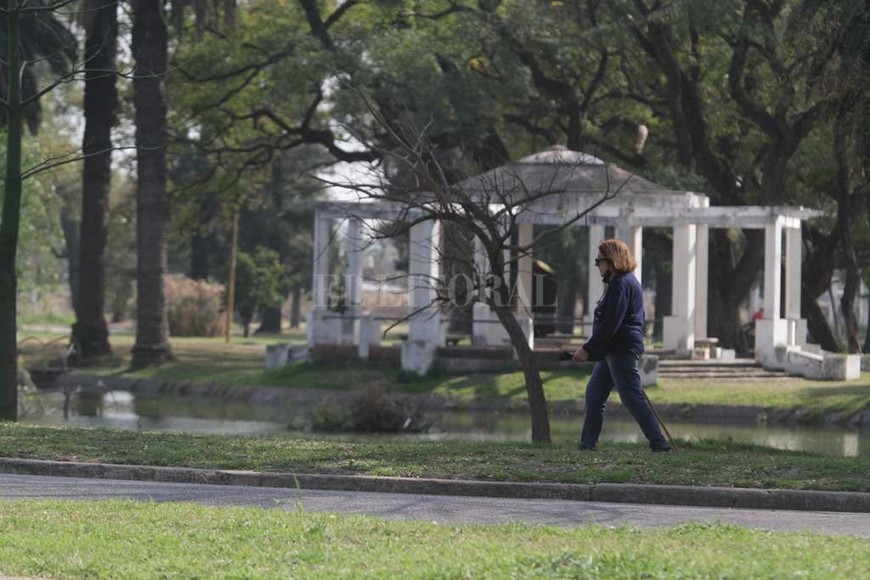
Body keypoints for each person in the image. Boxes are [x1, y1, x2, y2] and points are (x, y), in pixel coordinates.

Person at [572, 239, 670, 452]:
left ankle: (659, 443)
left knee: (632, 397)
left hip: (621, 350)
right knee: (594, 395)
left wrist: (587, 349)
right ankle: (587, 444)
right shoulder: (622, 283)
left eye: (599, 261)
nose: (597, 265)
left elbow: (610, 324)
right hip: (611, 350)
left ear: (612, 260)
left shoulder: (621, 284)